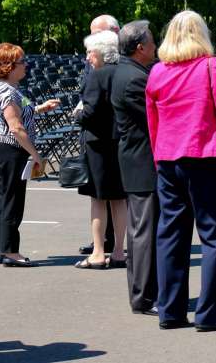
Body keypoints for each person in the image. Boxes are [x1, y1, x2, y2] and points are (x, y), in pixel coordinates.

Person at [146, 10, 216, 331]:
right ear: (201, 34)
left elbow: (153, 123)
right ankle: (210, 315)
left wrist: (158, 157)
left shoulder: (157, 72)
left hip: (167, 159)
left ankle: (171, 312)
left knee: (170, 236)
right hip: (203, 157)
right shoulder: (212, 67)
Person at [0, 44, 60, 267]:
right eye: (21, 62)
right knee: (12, 201)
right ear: (9, 66)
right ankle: (10, 251)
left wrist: (40, 108)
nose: (25, 65)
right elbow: (16, 128)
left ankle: (3, 248)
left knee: (5, 198)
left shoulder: (6, 87)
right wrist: (35, 154)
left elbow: (20, 112)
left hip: (3, 149)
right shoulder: (7, 92)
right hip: (11, 150)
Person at [110, 20, 160, 314]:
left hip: (137, 161)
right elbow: (156, 118)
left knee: (143, 231)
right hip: (141, 164)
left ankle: (146, 293)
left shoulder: (132, 72)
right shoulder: (134, 78)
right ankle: (143, 297)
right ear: (140, 47)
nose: (156, 46)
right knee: (144, 233)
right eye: (152, 42)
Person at [74, 30, 127, 270]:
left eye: (89, 52)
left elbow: (91, 112)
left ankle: (97, 252)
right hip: (121, 142)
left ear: (100, 52)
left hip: (98, 144)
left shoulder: (96, 76)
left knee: (98, 199)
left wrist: (78, 116)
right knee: (119, 199)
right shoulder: (126, 72)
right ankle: (118, 251)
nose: (87, 58)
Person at [79, 14, 119, 256]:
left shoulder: (116, 67)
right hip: (108, 136)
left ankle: (103, 246)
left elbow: (91, 107)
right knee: (114, 196)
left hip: (103, 137)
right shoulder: (93, 64)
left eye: (97, 33)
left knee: (104, 195)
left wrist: (79, 113)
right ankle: (107, 241)